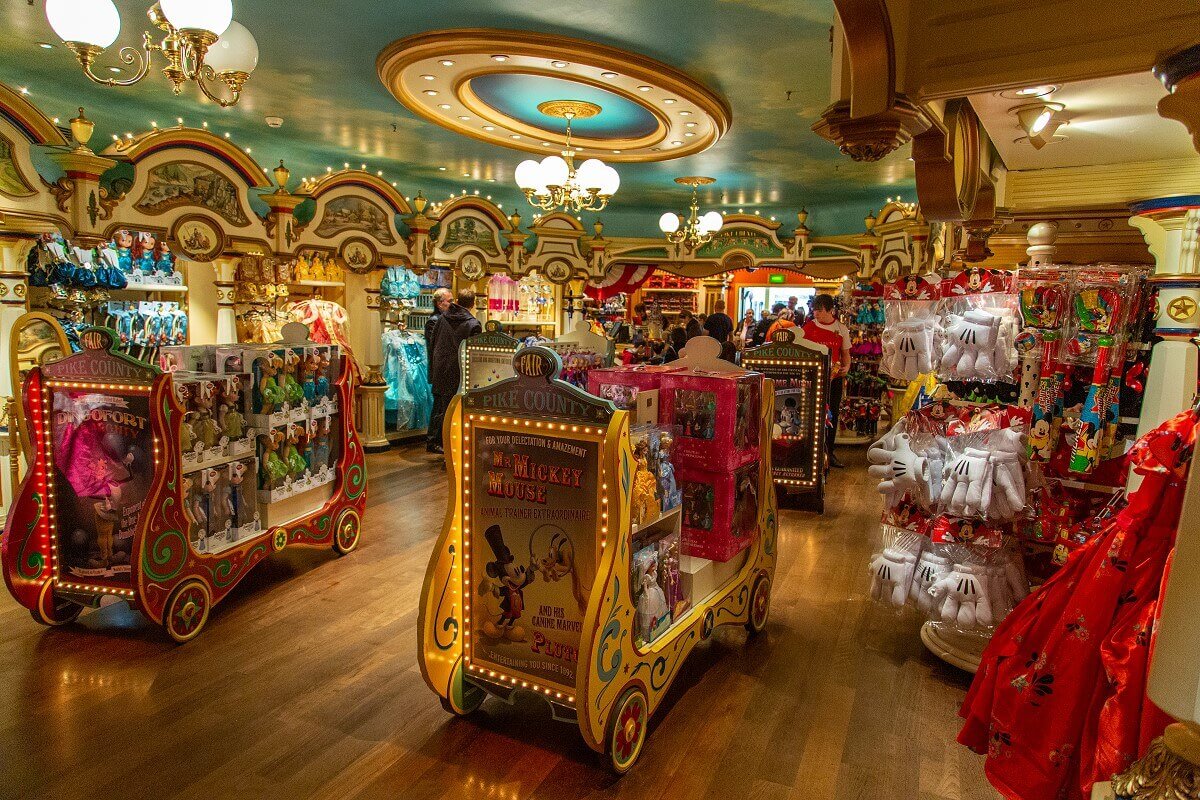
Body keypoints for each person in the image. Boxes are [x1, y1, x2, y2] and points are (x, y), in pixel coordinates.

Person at [427, 288, 482, 454]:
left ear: (457, 300)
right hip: (460, 372)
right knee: (457, 411)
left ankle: (442, 443)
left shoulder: (442, 319)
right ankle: (452, 444)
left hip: (441, 369)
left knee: (443, 409)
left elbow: (433, 344)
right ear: (472, 304)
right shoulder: (473, 324)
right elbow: (475, 353)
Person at [803, 294, 852, 468]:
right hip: (812, 379)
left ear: (831, 310)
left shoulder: (841, 328)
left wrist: (846, 368)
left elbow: (846, 354)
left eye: (820, 310)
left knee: (832, 415)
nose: (816, 314)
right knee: (810, 415)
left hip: (834, 379)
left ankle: (828, 452)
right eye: (814, 310)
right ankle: (809, 452)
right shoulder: (807, 328)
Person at [423, 287, 453, 365]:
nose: (452, 304)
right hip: (439, 365)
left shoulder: (446, 318)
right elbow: (438, 346)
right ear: (439, 304)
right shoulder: (433, 321)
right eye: (450, 301)